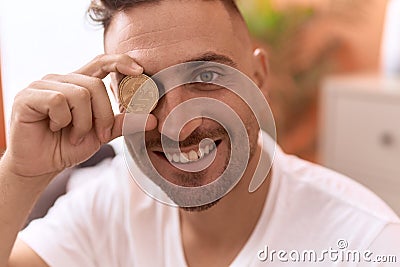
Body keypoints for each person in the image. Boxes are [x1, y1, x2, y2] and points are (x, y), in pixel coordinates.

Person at [0, 0, 399, 266]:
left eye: (207, 76)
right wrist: (20, 174)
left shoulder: (365, 243)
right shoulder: (110, 204)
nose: (179, 123)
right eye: (142, 87)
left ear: (259, 79)